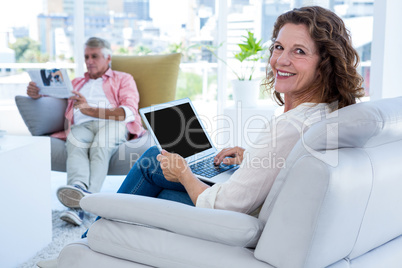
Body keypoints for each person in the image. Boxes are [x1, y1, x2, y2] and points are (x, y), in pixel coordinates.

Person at [76, 5, 364, 235]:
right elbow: (285, 167)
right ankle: (100, 236)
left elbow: (227, 205)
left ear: (325, 63)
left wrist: (185, 175)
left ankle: (93, 239)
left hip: (237, 221)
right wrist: (251, 158)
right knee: (157, 161)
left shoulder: (291, 126)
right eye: (278, 47)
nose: (280, 60)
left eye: (298, 51)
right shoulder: (324, 112)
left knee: (157, 169)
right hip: (254, 204)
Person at [26, 37, 144, 226]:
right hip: (82, 126)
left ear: (108, 58)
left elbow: (128, 111)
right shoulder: (76, 82)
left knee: (100, 145)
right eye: (86, 56)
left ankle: (83, 204)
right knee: (74, 142)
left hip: (112, 123)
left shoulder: (123, 79)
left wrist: (90, 110)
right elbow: (51, 93)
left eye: (94, 56)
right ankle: (78, 188)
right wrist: (36, 92)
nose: (89, 61)